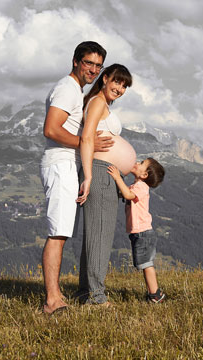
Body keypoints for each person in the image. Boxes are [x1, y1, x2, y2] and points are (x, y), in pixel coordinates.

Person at [40, 41, 113, 314]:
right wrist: (87, 141)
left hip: (68, 166)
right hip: (60, 164)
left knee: (62, 232)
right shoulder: (66, 89)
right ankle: (52, 300)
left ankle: (56, 295)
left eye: (98, 65)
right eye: (88, 63)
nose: (93, 69)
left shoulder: (75, 91)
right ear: (75, 61)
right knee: (57, 233)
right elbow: (51, 129)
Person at [75, 64, 136, 305]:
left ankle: (85, 293)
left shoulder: (101, 103)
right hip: (99, 173)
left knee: (94, 237)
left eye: (124, 86)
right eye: (117, 82)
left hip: (104, 173)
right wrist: (89, 176)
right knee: (100, 236)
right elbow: (87, 137)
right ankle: (97, 298)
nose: (120, 88)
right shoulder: (99, 102)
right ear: (105, 79)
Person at [107, 158, 166, 303]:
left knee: (146, 264)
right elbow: (125, 193)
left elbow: (127, 195)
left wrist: (116, 177)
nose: (137, 163)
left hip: (143, 233)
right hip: (139, 232)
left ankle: (155, 295)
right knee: (144, 264)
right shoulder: (136, 185)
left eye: (141, 164)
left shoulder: (141, 187)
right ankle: (153, 293)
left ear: (145, 175)